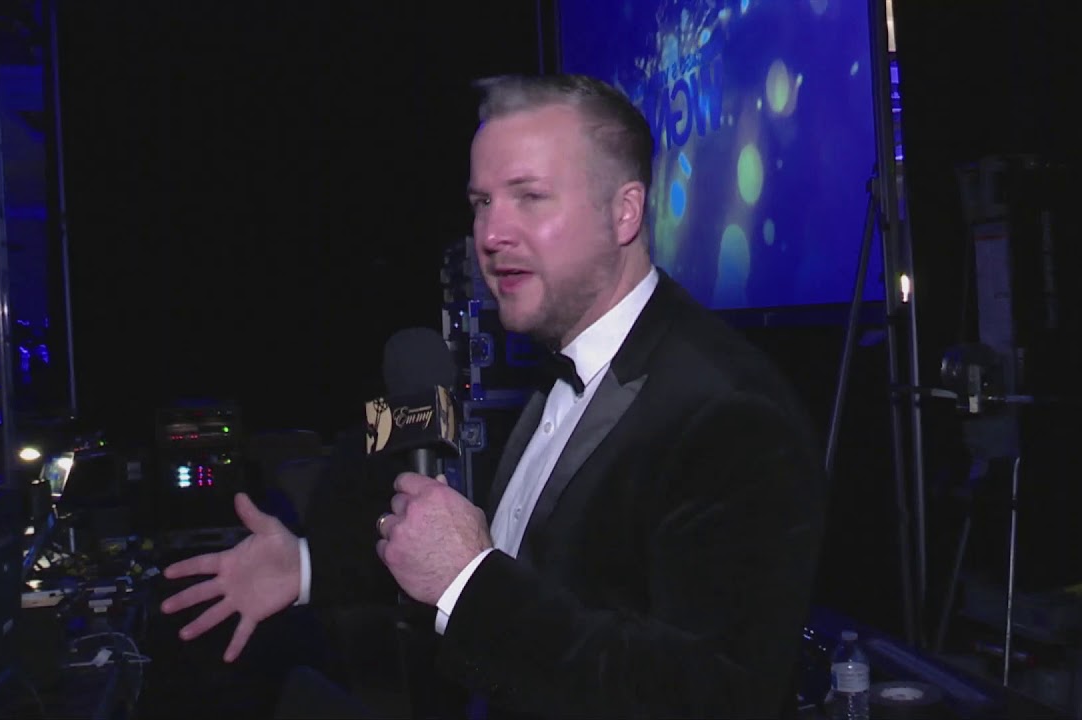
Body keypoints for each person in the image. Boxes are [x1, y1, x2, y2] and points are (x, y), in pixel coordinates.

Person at [162, 73, 826, 719]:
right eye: (482, 202)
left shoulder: (729, 411)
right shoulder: (559, 368)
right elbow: (529, 571)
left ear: (624, 211)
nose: (491, 234)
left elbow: (712, 697)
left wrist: (468, 584)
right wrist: (306, 568)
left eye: (529, 197)